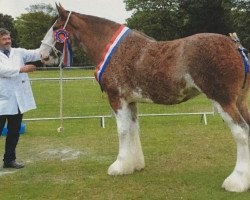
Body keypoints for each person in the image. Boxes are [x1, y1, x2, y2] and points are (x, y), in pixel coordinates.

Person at [0, 28, 40, 169]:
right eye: (4, 39)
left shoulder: (19, 52)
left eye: (8, 38)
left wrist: (52, 40)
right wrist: (21, 69)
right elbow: (2, 70)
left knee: (14, 132)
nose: (8, 41)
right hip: (2, 99)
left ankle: (9, 160)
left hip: (17, 101)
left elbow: (37, 53)